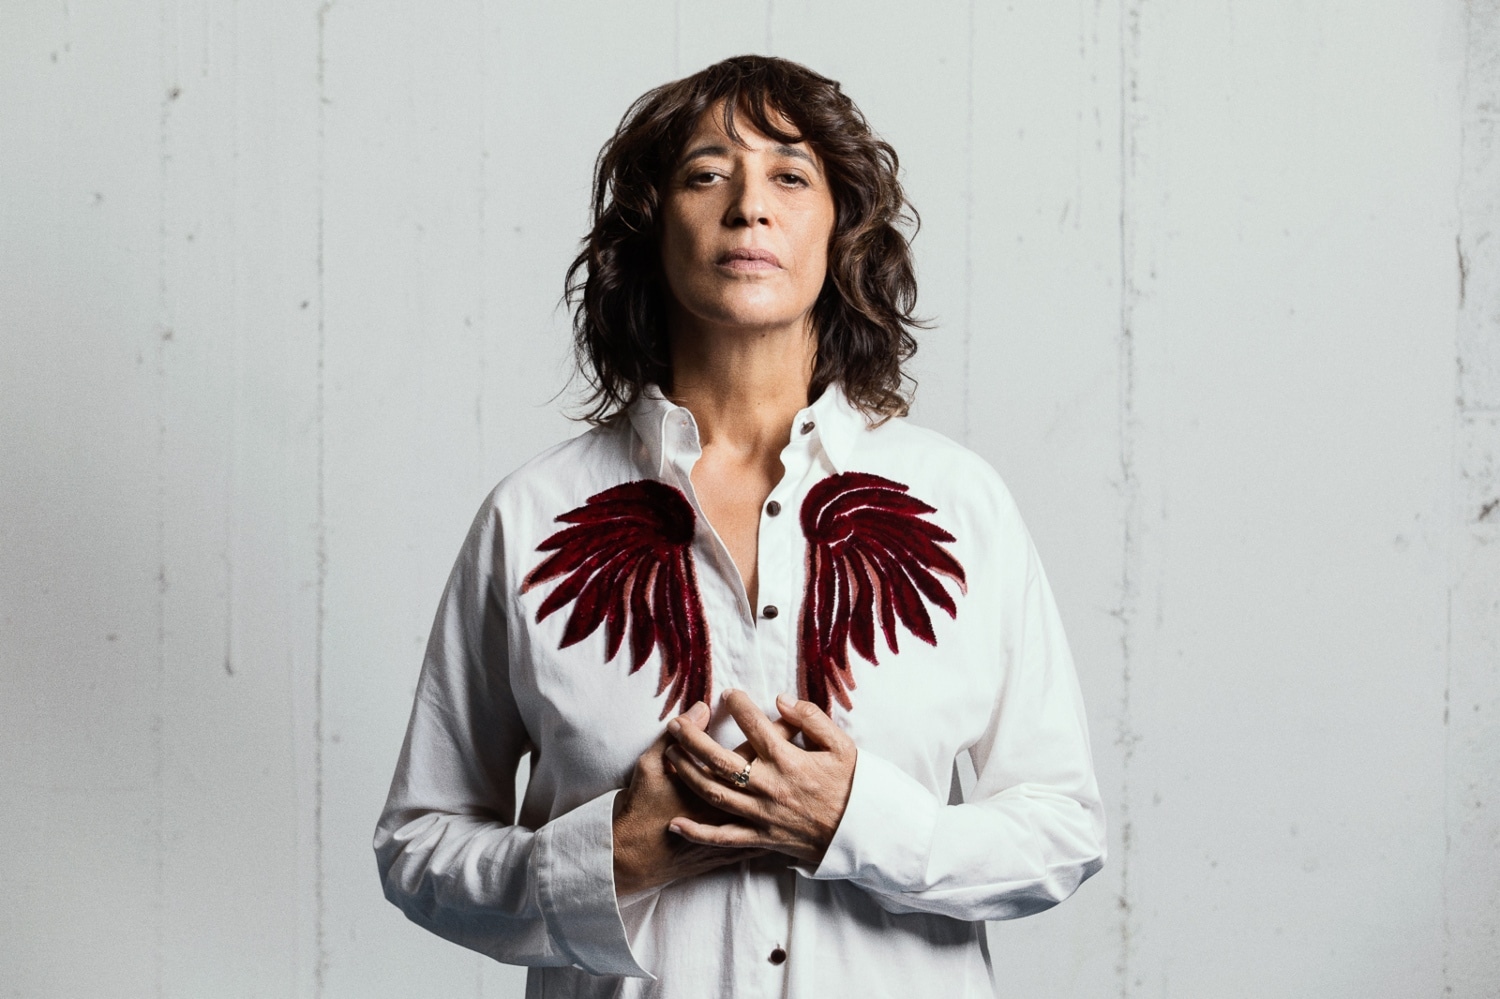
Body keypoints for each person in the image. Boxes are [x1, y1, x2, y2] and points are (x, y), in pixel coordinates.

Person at [374, 54, 1104, 998]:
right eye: (707, 174)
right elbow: (419, 844)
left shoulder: (961, 504)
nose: (750, 206)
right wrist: (609, 857)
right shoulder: (532, 517)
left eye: (791, 176)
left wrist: (858, 824)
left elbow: (1060, 827)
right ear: (652, 226)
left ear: (841, 227)